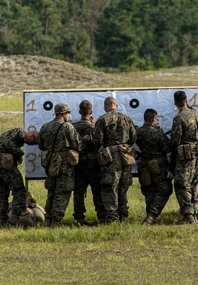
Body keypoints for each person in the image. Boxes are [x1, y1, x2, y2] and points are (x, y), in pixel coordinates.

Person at [93, 95, 137, 224]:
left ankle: (112, 218)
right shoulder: (126, 118)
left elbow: (98, 141)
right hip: (125, 156)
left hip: (111, 158)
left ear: (106, 106)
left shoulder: (102, 119)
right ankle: (123, 215)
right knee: (123, 186)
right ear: (116, 106)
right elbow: (133, 138)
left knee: (110, 187)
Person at [38, 102, 82, 227]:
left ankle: (48, 219)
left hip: (51, 163)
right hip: (64, 165)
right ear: (63, 114)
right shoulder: (67, 127)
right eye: (68, 113)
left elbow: (41, 145)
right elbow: (78, 145)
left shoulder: (45, 127)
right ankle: (56, 222)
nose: (69, 115)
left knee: (51, 191)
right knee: (63, 192)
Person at [0, 128, 38, 227]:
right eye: (32, 142)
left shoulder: (11, 133)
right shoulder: (19, 133)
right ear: (31, 135)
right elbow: (8, 143)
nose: (29, 144)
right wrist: (19, 154)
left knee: (2, 193)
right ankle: (14, 217)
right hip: (3, 164)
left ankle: (3, 220)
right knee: (19, 189)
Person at [135, 108, 174, 224]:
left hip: (144, 165)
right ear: (153, 119)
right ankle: (152, 215)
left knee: (149, 190)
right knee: (165, 189)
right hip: (157, 165)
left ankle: (149, 217)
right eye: (156, 119)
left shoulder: (138, 132)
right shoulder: (157, 133)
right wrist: (161, 133)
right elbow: (167, 148)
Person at [170, 89, 198, 224]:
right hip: (197, 154)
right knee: (193, 184)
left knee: (181, 185)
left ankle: (188, 215)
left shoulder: (179, 118)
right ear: (186, 100)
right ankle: (194, 213)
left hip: (185, 156)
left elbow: (175, 141)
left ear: (175, 103)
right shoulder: (195, 114)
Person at [72, 99, 105, 225]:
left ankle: (79, 217)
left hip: (78, 162)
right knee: (97, 190)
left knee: (79, 191)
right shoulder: (93, 127)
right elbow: (98, 143)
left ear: (80, 111)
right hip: (93, 163)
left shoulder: (73, 127)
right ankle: (101, 216)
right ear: (90, 111)